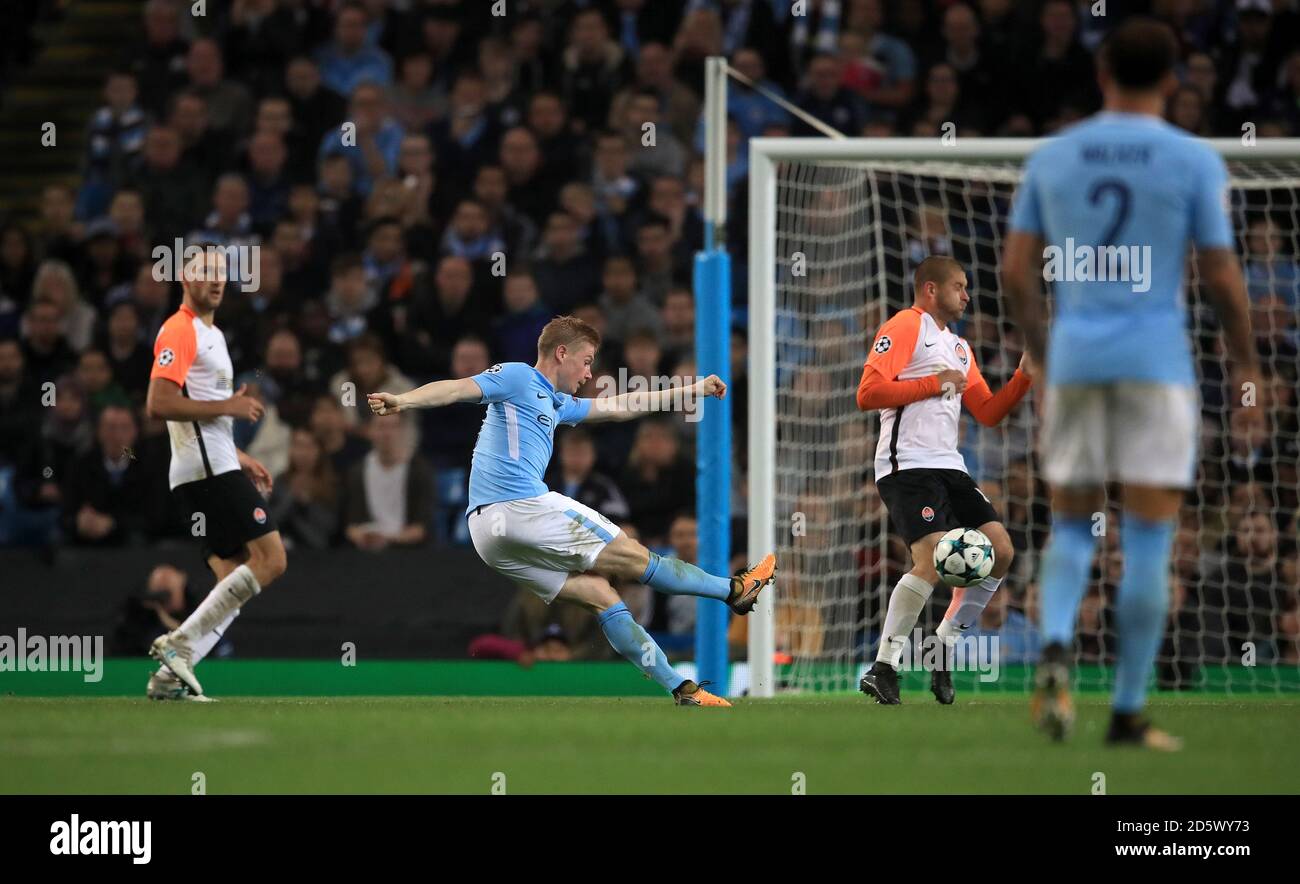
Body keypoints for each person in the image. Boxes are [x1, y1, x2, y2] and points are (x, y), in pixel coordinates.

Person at [1002, 18, 1260, 750]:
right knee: (1149, 538)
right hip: (1156, 366)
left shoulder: (1055, 156)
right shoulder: (1193, 160)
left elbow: (1016, 272)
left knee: (1073, 525)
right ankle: (1127, 712)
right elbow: (1220, 277)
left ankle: (1054, 640)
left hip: (1078, 359)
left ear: (1101, 74)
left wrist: (1044, 355)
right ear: (1174, 79)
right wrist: (1244, 363)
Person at [367, 315, 775, 706]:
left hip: (487, 537)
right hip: (518, 506)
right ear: (561, 353)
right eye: (585, 362)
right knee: (636, 558)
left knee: (601, 594)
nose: (587, 374)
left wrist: (690, 390)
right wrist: (404, 400)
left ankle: (681, 688)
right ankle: (735, 590)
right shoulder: (517, 376)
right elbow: (457, 388)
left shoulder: (559, 404)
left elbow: (623, 405)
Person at [856, 255, 1033, 705]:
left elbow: (989, 413)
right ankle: (884, 666)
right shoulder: (904, 325)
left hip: (950, 465)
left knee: (1002, 552)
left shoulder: (959, 348)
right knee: (932, 561)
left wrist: (1023, 376)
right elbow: (868, 393)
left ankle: (944, 647)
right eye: (960, 285)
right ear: (931, 289)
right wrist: (934, 384)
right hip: (907, 464)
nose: (967, 295)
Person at [143, 250, 288, 700]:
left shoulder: (213, 335)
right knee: (271, 560)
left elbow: (201, 418)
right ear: (185, 279)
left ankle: (168, 680)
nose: (218, 281)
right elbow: (160, 404)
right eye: (206, 273)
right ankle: (179, 644)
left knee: (231, 580)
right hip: (205, 471)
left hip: (213, 463)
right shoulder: (179, 329)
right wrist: (228, 407)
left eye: (222, 274)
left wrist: (239, 453)